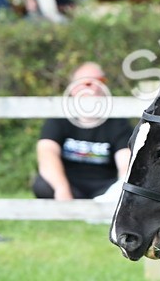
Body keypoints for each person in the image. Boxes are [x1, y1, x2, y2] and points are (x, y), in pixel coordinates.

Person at [32, 63, 132, 200]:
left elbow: (125, 163)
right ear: (73, 89)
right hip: (71, 185)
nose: (96, 87)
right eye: (88, 83)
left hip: (104, 187)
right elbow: (47, 153)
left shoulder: (118, 121)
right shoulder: (59, 117)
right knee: (42, 185)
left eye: (101, 81)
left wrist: (120, 191)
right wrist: (62, 189)